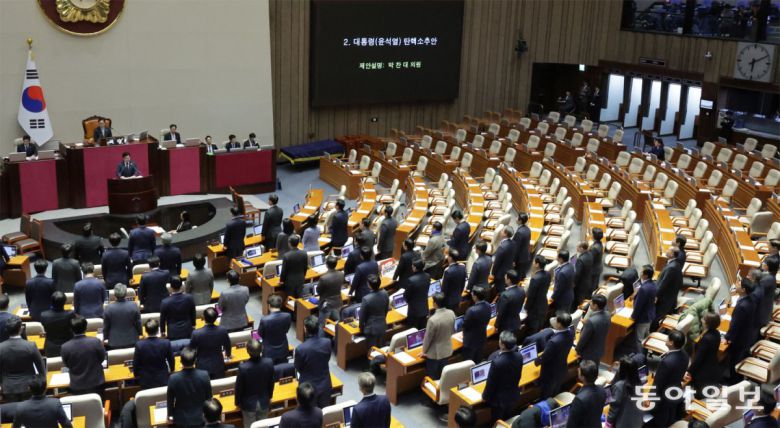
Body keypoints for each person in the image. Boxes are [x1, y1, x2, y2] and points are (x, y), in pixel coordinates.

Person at [649, 330, 689, 427]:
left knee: (659, 420)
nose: (666, 339)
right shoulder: (685, 355)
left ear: (671, 343)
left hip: (663, 397)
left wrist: (650, 397)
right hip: (676, 390)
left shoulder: (667, 362)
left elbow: (658, 383)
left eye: (668, 338)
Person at [483, 330, 524, 421]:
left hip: (499, 401)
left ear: (502, 345)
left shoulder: (497, 362)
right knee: (507, 418)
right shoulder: (519, 356)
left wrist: (485, 397)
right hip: (513, 395)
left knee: (497, 422)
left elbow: (491, 383)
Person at [0, 317, 44, 402]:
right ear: (21, 329)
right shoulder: (30, 346)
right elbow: (41, 368)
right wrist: (41, 387)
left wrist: (2, 385)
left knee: (14, 410)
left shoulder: (0, 348)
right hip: (28, 387)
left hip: (9, 388)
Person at [61, 316, 107, 396]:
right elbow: (102, 358)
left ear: (71, 330)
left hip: (77, 386)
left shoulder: (65, 347)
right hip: (97, 384)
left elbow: (67, 364)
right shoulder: (96, 342)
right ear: (86, 328)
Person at [166, 347, 212, 427]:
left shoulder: (173, 378)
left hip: (181, 419)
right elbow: (209, 398)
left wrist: (170, 415)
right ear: (195, 361)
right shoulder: (204, 375)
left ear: (180, 362)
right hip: (200, 418)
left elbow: (170, 400)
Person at [295, 315, 332, 408]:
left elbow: (298, 368)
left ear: (305, 329)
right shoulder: (327, 342)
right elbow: (327, 358)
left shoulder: (301, 349)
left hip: (308, 389)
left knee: (309, 413)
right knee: (324, 412)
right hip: (324, 384)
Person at [235, 339, 275, 425]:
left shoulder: (243, 368)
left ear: (247, 351)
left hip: (248, 404)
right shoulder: (269, 363)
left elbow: (239, 388)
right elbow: (271, 383)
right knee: (263, 426)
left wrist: (237, 403)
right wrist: (269, 397)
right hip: (264, 401)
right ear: (261, 349)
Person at [725, 276, 757, 382]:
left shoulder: (742, 306)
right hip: (746, 334)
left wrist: (727, 337)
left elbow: (735, 325)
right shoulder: (750, 299)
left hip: (740, 339)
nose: (736, 284)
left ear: (743, 289)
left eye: (739, 284)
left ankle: (733, 381)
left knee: (735, 359)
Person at [538, 312, 575, 399]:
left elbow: (545, 356)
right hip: (561, 367)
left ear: (559, 324)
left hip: (550, 371)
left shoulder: (554, 341)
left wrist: (536, 361)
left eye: (556, 320)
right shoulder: (571, 333)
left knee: (546, 394)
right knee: (555, 390)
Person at [190, 307, 231, 378]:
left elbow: (191, 349)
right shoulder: (222, 331)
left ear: (204, 318)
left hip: (202, 367)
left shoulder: (196, 333)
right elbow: (227, 345)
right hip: (218, 365)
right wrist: (228, 354)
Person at [133, 319, 175, 389]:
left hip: (146, 382)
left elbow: (135, 363)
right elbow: (171, 360)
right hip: (163, 380)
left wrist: (136, 375)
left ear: (145, 331)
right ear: (158, 330)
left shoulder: (139, 345)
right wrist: (172, 370)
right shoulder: (166, 343)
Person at [688, 312, 722, 397]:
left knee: (698, 394)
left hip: (703, 371)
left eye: (703, 319)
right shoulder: (716, 333)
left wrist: (689, 371)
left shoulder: (706, 339)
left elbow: (699, 358)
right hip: (712, 365)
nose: (701, 320)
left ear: (707, 323)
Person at [422, 293, 455, 380]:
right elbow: (452, 330)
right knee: (443, 376)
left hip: (434, 353)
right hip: (447, 350)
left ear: (435, 304)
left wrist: (423, 351)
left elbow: (428, 338)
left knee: (433, 378)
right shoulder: (451, 313)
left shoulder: (432, 320)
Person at [606, 356, 644, 428]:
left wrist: (608, 423)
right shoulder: (639, 383)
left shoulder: (620, 385)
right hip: (637, 422)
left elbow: (614, 408)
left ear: (623, 369)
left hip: (623, 423)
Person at [567, 360, 606, 428]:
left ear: (582, 377)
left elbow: (571, 424)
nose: (578, 369)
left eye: (579, 370)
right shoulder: (602, 390)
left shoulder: (579, 400)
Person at [103, 283, 141, 349]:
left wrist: (105, 338)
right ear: (126, 293)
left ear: (114, 294)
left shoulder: (108, 308)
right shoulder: (134, 305)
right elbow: (138, 323)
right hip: (132, 341)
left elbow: (106, 326)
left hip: (114, 343)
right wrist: (140, 334)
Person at [160, 276, 196, 344]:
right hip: (187, 329)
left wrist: (163, 332)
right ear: (181, 285)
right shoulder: (189, 298)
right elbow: (193, 313)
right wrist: (193, 325)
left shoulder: (165, 302)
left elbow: (162, 320)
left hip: (173, 332)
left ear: (171, 287)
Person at [575, 294, 611, 364]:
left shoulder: (591, 321)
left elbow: (583, 339)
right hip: (599, 349)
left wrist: (577, 350)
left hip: (588, 353)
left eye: (591, 302)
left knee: (587, 369)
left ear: (595, 306)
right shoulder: (608, 314)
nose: (590, 303)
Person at [257, 294, 292, 364]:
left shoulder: (264, 320)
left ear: (269, 306)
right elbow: (286, 330)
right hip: (283, 349)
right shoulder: (288, 316)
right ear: (280, 305)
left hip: (269, 352)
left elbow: (259, 335)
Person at [360, 275, 389, 354]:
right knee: (380, 349)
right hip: (382, 325)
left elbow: (362, 317)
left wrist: (361, 328)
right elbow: (386, 310)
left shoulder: (366, 299)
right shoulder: (385, 293)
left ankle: (371, 362)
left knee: (371, 351)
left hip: (371, 328)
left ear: (369, 285)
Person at [462, 286, 491, 364]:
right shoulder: (488, 305)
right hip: (482, 338)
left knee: (468, 363)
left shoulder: (471, 310)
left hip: (470, 341)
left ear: (475, 296)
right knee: (477, 361)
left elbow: (465, 325)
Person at [40, 291, 75, 357]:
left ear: (51, 302)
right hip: (68, 345)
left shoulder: (43, 315)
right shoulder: (71, 314)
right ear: (65, 302)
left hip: (51, 347)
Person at [654, 246, 684, 323]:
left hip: (664, 300)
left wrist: (655, 295)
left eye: (668, 250)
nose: (666, 251)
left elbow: (663, 285)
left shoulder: (672, 268)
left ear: (672, 254)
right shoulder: (675, 263)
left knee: (655, 318)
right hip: (669, 295)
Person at [523, 255, 551, 334]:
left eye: (534, 262)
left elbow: (531, 296)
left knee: (532, 331)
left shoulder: (535, 279)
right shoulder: (548, 274)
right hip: (543, 305)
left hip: (535, 309)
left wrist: (526, 307)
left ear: (537, 264)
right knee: (538, 328)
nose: (532, 263)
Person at [633, 264, 658, 345]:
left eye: (641, 272)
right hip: (650, 314)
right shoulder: (654, 284)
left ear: (646, 275)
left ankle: (640, 352)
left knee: (639, 338)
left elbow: (638, 306)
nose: (640, 273)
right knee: (646, 334)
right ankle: (646, 349)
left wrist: (633, 317)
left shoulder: (643, 289)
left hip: (643, 317)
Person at [317, 255, 344, 329]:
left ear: (326, 265)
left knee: (322, 326)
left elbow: (318, 291)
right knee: (337, 324)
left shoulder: (323, 278)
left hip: (326, 305)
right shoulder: (341, 274)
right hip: (338, 302)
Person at [496, 270, 526, 335]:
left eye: (505, 277)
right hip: (516, 323)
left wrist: (496, 325)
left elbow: (501, 312)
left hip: (505, 327)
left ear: (509, 280)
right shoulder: (522, 291)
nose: (504, 278)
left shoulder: (505, 295)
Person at [404, 259, 431, 329]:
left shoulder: (411, 280)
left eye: (413, 266)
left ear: (415, 268)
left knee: (413, 331)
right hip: (424, 309)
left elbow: (406, 296)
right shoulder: (428, 276)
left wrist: (408, 301)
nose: (411, 267)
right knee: (422, 330)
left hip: (414, 311)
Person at [756, 258, 779, 330]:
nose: (762, 263)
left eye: (764, 263)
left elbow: (756, 294)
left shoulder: (767, 280)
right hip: (766, 311)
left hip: (761, 316)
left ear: (767, 266)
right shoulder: (771, 276)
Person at [491, 228, 516, 294]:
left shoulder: (502, 247)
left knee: (500, 290)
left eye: (502, 231)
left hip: (500, 273)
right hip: (509, 269)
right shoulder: (513, 243)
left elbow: (497, 262)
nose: (500, 231)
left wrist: (493, 273)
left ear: (505, 234)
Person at [572, 241, 594, 310]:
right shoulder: (590, 254)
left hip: (580, 284)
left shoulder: (580, 260)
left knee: (577, 300)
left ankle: (575, 311)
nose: (576, 248)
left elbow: (577, 274)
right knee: (582, 297)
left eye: (577, 247)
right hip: (587, 279)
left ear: (581, 248)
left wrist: (573, 284)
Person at [512, 213, 532, 278]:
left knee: (517, 275)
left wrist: (514, 260)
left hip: (520, 258)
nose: (515, 218)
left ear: (520, 220)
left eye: (517, 217)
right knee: (522, 273)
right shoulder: (527, 229)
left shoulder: (519, 232)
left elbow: (516, 248)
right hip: (526, 255)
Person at [589, 228, 604, 292]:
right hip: (598, 267)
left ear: (593, 236)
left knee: (592, 288)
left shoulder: (594, 248)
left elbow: (590, 260)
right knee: (595, 285)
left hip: (594, 270)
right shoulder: (599, 243)